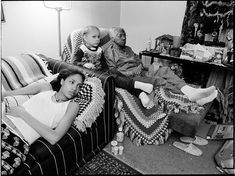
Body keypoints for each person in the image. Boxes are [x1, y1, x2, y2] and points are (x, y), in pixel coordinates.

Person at [103, 27, 218, 107]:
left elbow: (138, 60)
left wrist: (143, 66)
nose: (124, 38)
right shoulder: (109, 52)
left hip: (141, 71)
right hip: (130, 78)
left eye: (124, 35)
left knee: (164, 69)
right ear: (112, 38)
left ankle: (191, 91)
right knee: (159, 80)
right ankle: (190, 96)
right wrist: (133, 72)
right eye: (120, 36)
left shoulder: (128, 48)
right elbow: (113, 72)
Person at [1, 69, 85, 175]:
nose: (75, 88)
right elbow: (10, 93)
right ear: (62, 81)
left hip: (17, 142)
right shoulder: (46, 88)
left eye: (79, 86)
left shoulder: (72, 106)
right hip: (3, 123)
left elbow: (54, 138)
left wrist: (23, 114)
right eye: (72, 82)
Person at [71, 25, 155, 108]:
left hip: (101, 72)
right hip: (91, 75)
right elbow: (74, 63)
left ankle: (141, 94)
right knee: (114, 79)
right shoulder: (82, 49)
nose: (97, 39)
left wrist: (111, 73)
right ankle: (137, 86)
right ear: (85, 38)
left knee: (117, 75)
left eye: (98, 37)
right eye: (94, 37)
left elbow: (104, 66)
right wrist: (84, 64)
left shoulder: (100, 50)